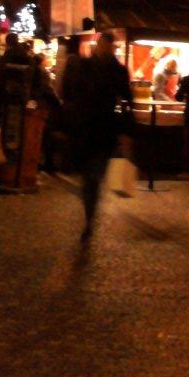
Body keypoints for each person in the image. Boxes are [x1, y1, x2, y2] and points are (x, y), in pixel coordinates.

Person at [68, 32, 134, 242]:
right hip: (87, 129)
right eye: (102, 45)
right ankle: (89, 212)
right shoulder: (85, 66)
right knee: (88, 177)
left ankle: (89, 217)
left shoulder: (117, 71)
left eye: (107, 46)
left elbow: (127, 101)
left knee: (92, 177)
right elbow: (72, 94)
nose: (104, 49)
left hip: (103, 131)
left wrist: (126, 131)